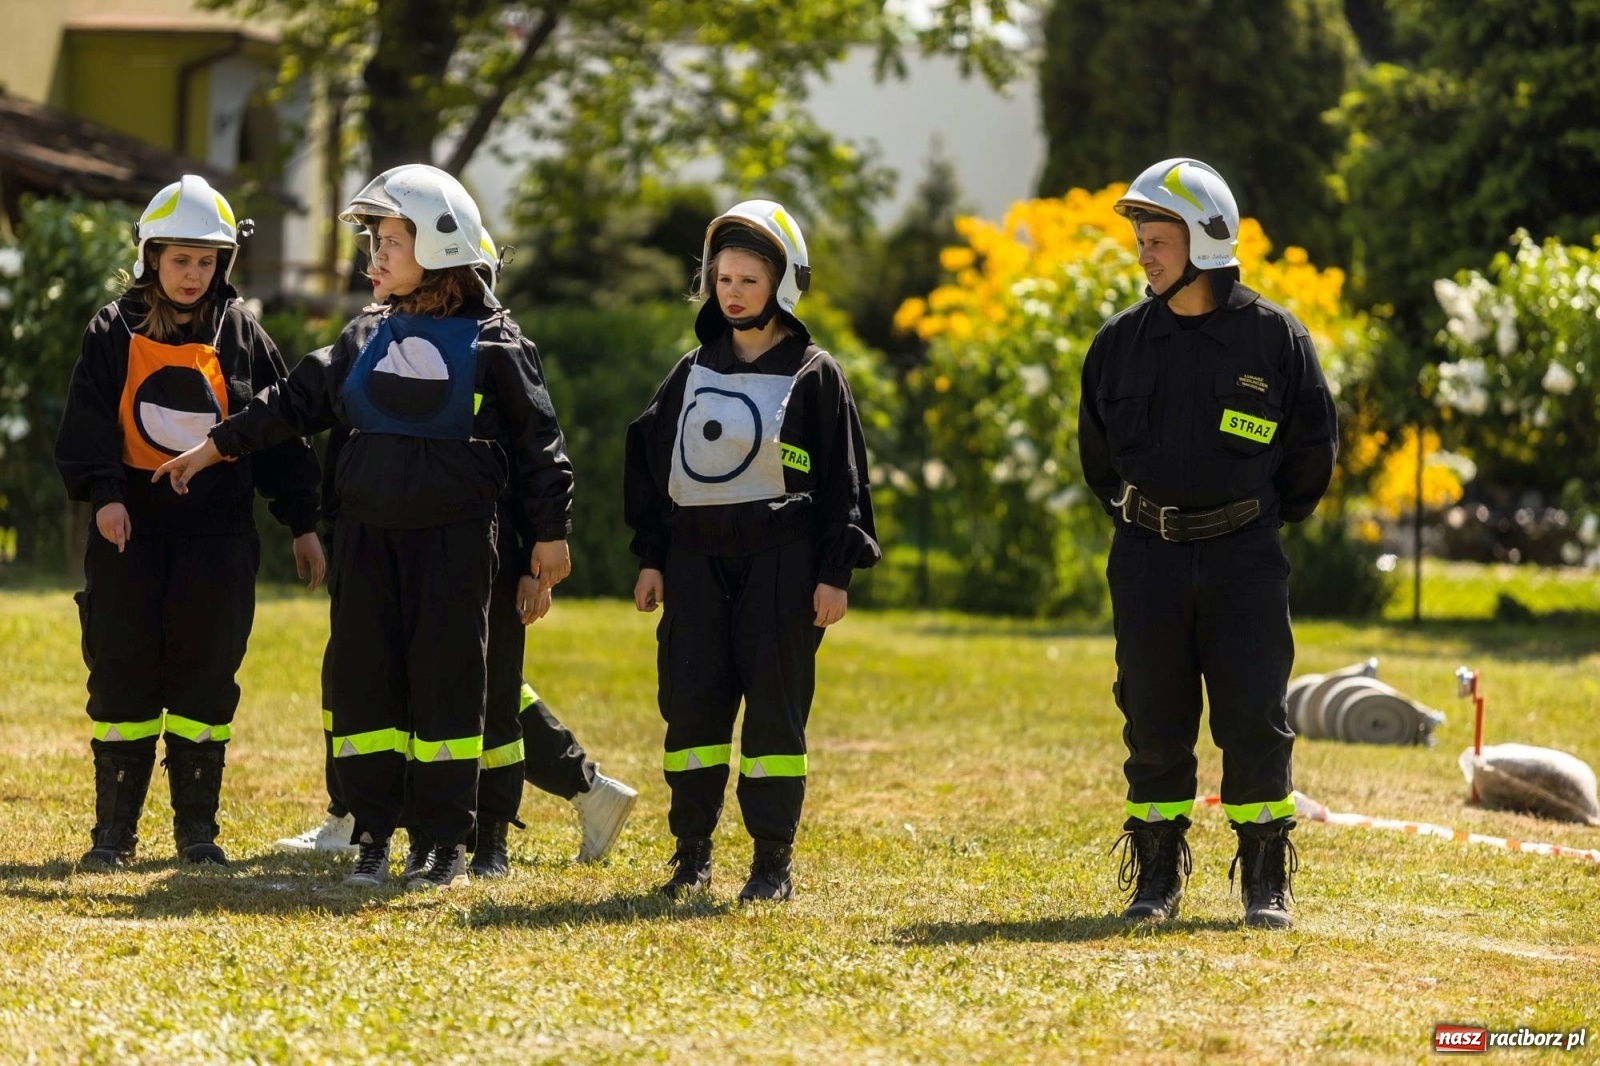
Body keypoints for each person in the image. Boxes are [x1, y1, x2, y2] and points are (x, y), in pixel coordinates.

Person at [154, 164, 574, 892]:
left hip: (455, 544)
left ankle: (443, 843)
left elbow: (541, 446)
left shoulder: (496, 343)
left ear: (441, 246)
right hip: (367, 544)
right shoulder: (361, 337)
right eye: (374, 242)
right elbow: (289, 405)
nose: (373, 257)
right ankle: (375, 835)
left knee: (448, 686)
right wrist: (213, 447)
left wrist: (549, 539)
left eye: (390, 242)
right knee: (366, 688)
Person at [1077, 158, 1338, 929]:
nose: (1144, 254)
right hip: (1146, 558)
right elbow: (1098, 459)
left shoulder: (1274, 340)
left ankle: (1265, 880)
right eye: (1142, 239)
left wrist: (1249, 521)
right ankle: (1155, 877)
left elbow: (1310, 455)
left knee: (1254, 716)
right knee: (1152, 717)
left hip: (1244, 561)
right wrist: (1148, 520)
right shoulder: (1119, 343)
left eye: (1158, 238)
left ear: (1206, 241)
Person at [55, 174, 324, 869]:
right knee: (122, 674)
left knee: (207, 676)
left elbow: (279, 435)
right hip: (130, 538)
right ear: (150, 257)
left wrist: (304, 524)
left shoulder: (243, 334)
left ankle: (197, 834)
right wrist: (107, 495)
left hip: (218, 542)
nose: (192, 274)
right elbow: (86, 427)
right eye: (180, 260)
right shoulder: (112, 331)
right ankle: (113, 836)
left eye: (207, 262)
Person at [624, 199, 880, 902]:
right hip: (694, 564)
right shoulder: (690, 371)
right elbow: (650, 464)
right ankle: (691, 852)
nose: (731, 293)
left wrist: (834, 574)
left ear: (782, 287)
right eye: (722, 279)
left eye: (747, 280)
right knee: (693, 709)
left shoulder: (815, 374)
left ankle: (771, 862)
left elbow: (844, 484)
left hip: (782, 567)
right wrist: (652, 557)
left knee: (774, 711)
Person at [276, 432, 636, 871]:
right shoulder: (375, 364)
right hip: (394, 532)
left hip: (470, 534)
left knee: (476, 683)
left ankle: (561, 797)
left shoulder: (493, 361)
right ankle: (353, 810)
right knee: (378, 673)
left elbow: (534, 445)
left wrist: (536, 556)